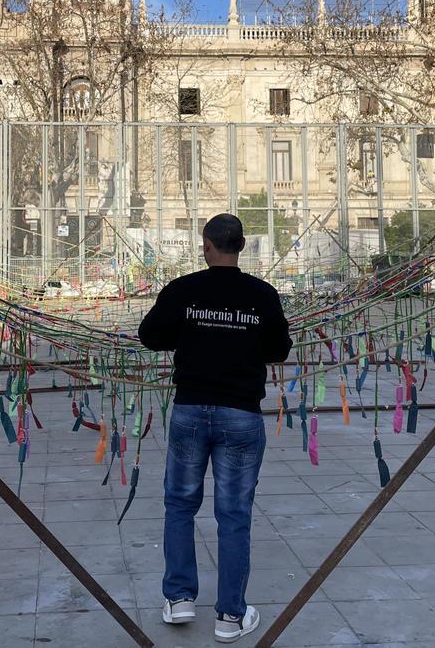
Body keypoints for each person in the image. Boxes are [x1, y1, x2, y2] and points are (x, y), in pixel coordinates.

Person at [138, 214, 292, 644]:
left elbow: (150, 334)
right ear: (240, 246)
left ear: (207, 246)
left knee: (180, 505)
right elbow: (279, 348)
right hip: (240, 415)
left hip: (190, 411)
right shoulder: (261, 295)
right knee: (234, 514)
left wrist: (193, 335)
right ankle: (229, 615)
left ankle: (180, 598)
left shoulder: (184, 290)